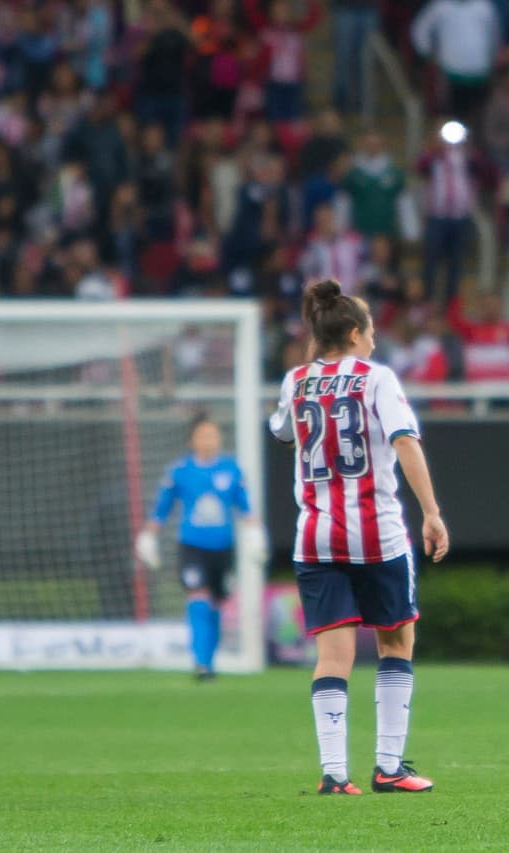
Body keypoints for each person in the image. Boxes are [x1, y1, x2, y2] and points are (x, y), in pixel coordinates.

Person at [269, 279, 449, 796]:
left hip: (316, 537)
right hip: (377, 535)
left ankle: (333, 774)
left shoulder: (295, 380)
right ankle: (389, 767)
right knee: (396, 640)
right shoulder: (376, 378)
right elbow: (405, 442)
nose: (373, 342)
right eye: (369, 332)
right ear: (353, 333)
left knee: (333, 656)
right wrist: (432, 511)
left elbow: (282, 433)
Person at [134, 414, 267, 680]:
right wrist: (148, 537)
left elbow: (245, 507)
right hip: (192, 547)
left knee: (217, 604)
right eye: (203, 435)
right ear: (192, 440)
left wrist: (255, 534)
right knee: (199, 600)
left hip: (223, 549)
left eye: (213, 435)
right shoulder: (180, 471)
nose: (209, 440)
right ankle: (201, 663)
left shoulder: (232, 470)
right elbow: (162, 508)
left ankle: (210, 659)